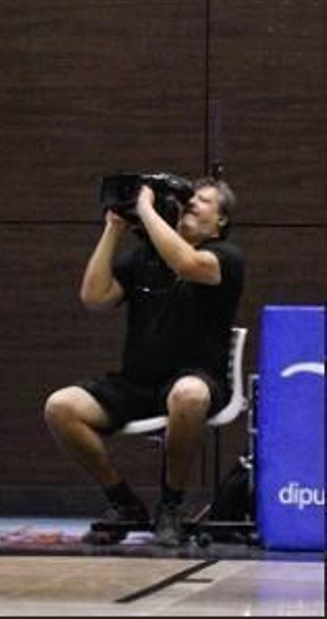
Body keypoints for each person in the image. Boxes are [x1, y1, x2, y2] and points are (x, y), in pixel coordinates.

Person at [43, 177, 243, 547]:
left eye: (204, 200)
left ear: (221, 220)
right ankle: (123, 502)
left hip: (197, 379)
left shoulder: (225, 257)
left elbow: (186, 263)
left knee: (188, 394)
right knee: (61, 407)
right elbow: (94, 297)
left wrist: (146, 210)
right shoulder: (144, 257)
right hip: (136, 385)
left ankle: (171, 506)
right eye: (189, 198)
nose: (192, 203)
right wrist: (114, 229)